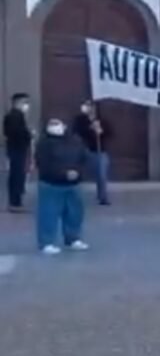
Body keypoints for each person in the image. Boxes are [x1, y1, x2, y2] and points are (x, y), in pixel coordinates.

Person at [34, 118, 91, 255]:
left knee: (74, 214)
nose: (55, 127)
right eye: (52, 124)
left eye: (57, 124)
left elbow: (83, 158)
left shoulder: (75, 141)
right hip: (51, 184)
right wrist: (63, 173)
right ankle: (46, 242)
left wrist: (77, 172)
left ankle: (73, 238)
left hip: (73, 183)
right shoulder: (44, 144)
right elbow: (44, 164)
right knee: (48, 214)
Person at [72, 100, 112, 206]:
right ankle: (74, 196)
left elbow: (109, 133)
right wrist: (89, 128)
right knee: (76, 173)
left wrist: (100, 130)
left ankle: (103, 197)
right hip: (83, 150)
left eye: (90, 106)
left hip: (99, 151)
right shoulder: (80, 120)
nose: (88, 108)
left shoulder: (101, 120)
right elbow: (76, 132)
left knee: (101, 175)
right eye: (86, 105)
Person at [4, 93, 33, 212]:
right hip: (17, 149)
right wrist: (29, 135)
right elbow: (17, 133)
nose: (27, 105)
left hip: (15, 148)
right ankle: (15, 203)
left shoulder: (13, 116)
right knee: (17, 176)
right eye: (25, 102)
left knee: (16, 175)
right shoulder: (15, 116)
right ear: (18, 102)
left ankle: (15, 201)